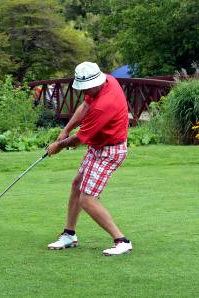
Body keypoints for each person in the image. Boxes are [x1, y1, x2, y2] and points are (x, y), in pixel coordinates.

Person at [46, 61, 132, 256]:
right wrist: (65, 130)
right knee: (77, 184)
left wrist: (58, 146)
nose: (84, 91)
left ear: (95, 83)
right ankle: (69, 234)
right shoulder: (107, 81)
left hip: (110, 151)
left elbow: (78, 140)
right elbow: (85, 105)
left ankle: (122, 240)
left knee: (87, 199)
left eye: (86, 88)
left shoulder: (104, 105)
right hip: (98, 147)